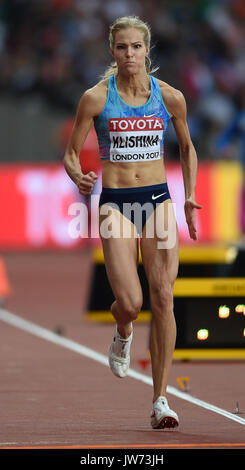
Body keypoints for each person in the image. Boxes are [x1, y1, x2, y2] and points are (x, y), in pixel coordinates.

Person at [63, 16, 202, 430]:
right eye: (121, 48)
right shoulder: (95, 98)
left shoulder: (170, 97)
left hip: (157, 198)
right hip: (117, 204)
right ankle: (123, 329)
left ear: (147, 50)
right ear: (112, 51)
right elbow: (72, 152)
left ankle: (161, 399)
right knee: (132, 303)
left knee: (163, 296)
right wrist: (78, 175)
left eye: (136, 47)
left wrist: (190, 194)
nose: (129, 55)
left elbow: (189, 148)